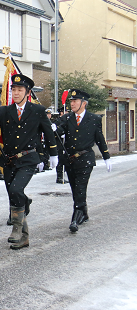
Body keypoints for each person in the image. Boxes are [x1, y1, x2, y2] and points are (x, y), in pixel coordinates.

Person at [0, 74, 58, 250]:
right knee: (14, 194)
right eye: (13, 89)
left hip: (28, 159)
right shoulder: (5, 111)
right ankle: (24, 237)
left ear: (27, 92)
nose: (16, 92)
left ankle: (16, 228)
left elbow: (48, 133)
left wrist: (53, 154)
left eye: (20, 90)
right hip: (9, 160)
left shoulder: (38, 111)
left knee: (15, 190)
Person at [53, 89, 111, 232]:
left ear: (83, 103)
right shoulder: (67, 119)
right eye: (71, 101)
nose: (72, 104)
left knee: (80, 187)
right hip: (70, 160)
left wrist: (106, 156)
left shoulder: (94, 119)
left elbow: (100, 139)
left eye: (75, 101)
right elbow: (59, 132)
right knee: (75, 188)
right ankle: (83, 213)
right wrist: (52, 128)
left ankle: (75, 217)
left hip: (85, 159)